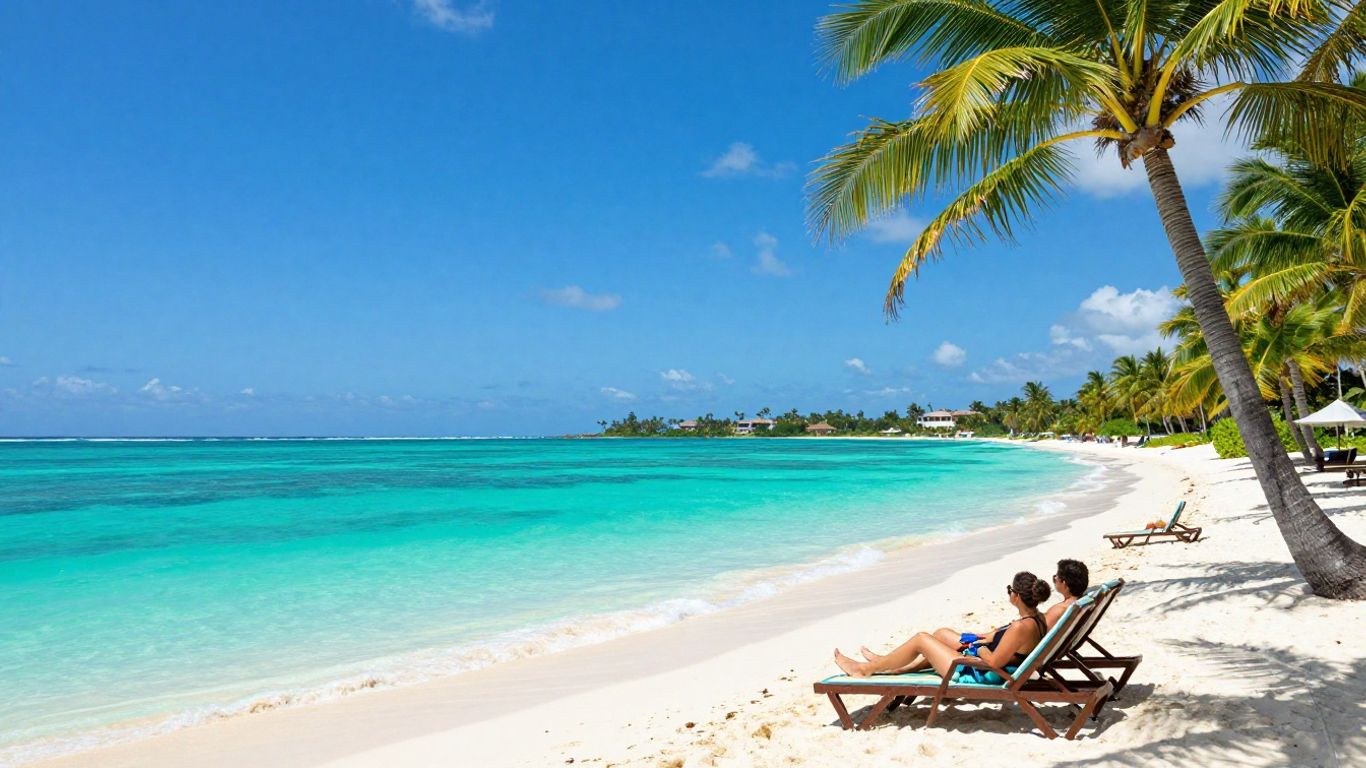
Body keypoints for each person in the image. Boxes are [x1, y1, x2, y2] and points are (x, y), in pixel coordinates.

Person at [834, 572, 1051, 681]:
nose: (1009, 594)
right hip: (985, 663)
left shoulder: (1020, 628)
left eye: (1009, 590)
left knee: (921, 638)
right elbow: (1009, 647)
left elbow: (994, 662)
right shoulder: (1037, 618)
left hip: (976, 671)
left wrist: (977, 649)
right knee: (940, 634)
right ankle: (891, 664)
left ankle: (865, 670)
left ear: (1016, 596)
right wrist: (983, 639)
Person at [1046, 559, 1089, 628]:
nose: (1054, 579)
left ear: (1064, 583)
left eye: (1055, 577)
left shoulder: (1057, 611)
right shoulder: (1086, 601)